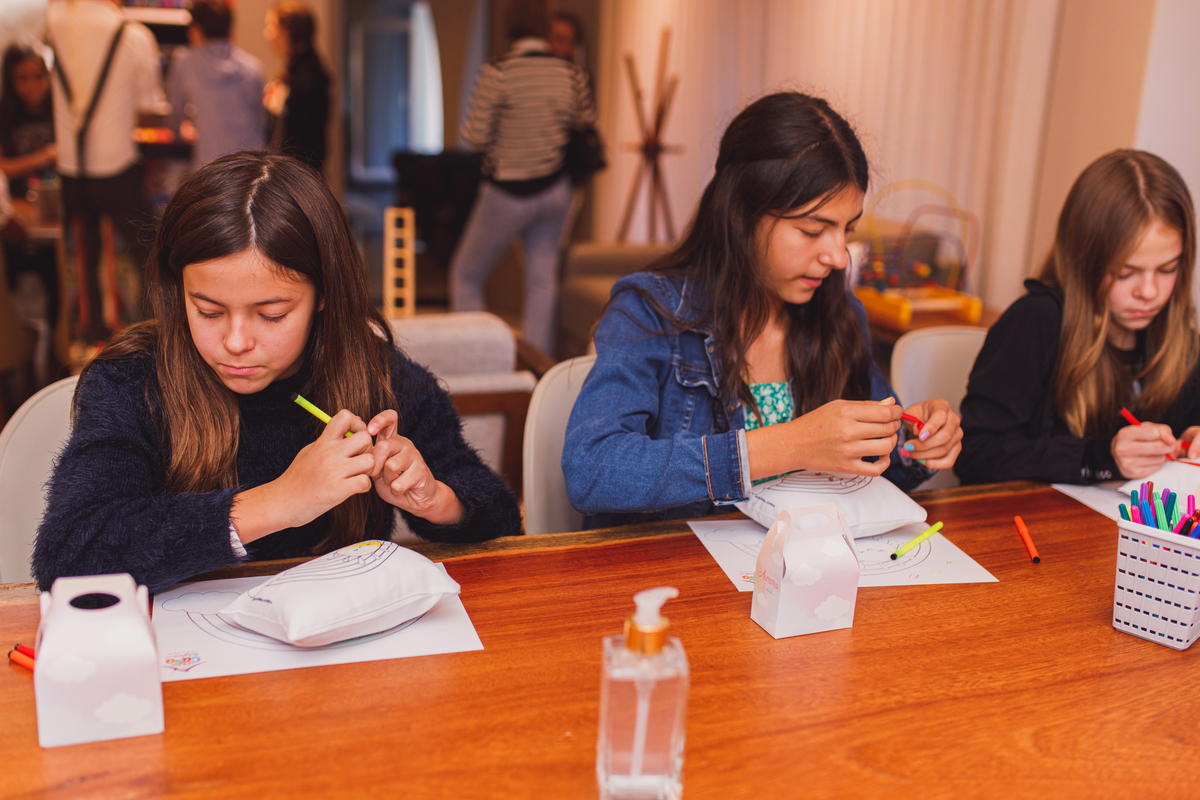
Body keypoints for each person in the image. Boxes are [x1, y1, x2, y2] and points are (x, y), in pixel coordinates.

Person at [33, 152, 522, 593]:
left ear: (325, 294)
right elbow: (68, 555)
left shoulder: (384, 379)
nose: (236, 341)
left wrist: (435, 498)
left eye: (271, 315)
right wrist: (277, 502)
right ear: (175, 287)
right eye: (207, 310)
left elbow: (501, 523)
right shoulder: (132, 382)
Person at [562, 92, 962, 528]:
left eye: (846, 230)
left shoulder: (841, 314)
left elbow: (879, 474)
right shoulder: (651, 311)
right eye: (813, 230)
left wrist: (915, 445)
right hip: (679, 577)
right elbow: (593, 470)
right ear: (741, 214)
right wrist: (790, 444)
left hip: (801, 575)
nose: (839, 257)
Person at [957, 150, 1200, 485]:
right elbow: (975, 455)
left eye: (1167, 269)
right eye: (1125, 272)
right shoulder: (1036, 321)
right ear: (1084, 260)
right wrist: (1101, 457)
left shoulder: (1181, 341)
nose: (1149, 291)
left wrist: (1190, 441)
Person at [450, 0, 595, 356]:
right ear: (545, 26)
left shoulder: (499, 71)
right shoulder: (571, 74)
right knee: (542, 281)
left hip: (506, 193)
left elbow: (473, 138)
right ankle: (535, 368)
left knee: (466, 274)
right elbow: (585, 123)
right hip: (555, 191)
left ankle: (477, 359)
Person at [47, 0, 167, 343]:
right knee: (145, 254)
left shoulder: (51, 21)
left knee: (79, 259)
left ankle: (82, 342)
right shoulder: (134, 34)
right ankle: (140, 342)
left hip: (69, 168)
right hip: (117, 164)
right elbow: (149, 109)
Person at [166, 0, 266, 169]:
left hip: (211, 167)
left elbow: (175, 113)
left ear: (197, 28)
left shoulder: (185, 62)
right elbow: (261, 122)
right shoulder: (253, 68)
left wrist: (180, 133)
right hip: (251, 167)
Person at [0, 45, 59, 331]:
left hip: (56, 209)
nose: (31, 85)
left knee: (58, 272)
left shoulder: (60, 110)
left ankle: (54, 347)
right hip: (18, 211)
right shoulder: (6, 114)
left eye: (37, 76)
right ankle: (28, 338)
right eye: (21, 78)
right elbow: (3, 167)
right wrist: (43, 156)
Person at [263, 1, 329, 174]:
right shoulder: (297, 70)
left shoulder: (306, 77)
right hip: (294, 171)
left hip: (296, 174)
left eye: (271, 27)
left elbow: (299, 139)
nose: (268, 34)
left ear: (286, 31)